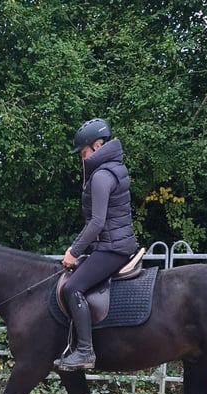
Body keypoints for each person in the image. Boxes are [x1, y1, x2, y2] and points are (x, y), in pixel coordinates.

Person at [54, 118, 139, 371]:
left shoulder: (102, 175)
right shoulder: (113, 168)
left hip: (113, 248)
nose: (82, 157)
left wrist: (73, 251)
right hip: (112, 245)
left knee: (72, 288)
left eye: (84, 151)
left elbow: (97, 223)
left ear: (98, 145)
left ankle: (84, 352)